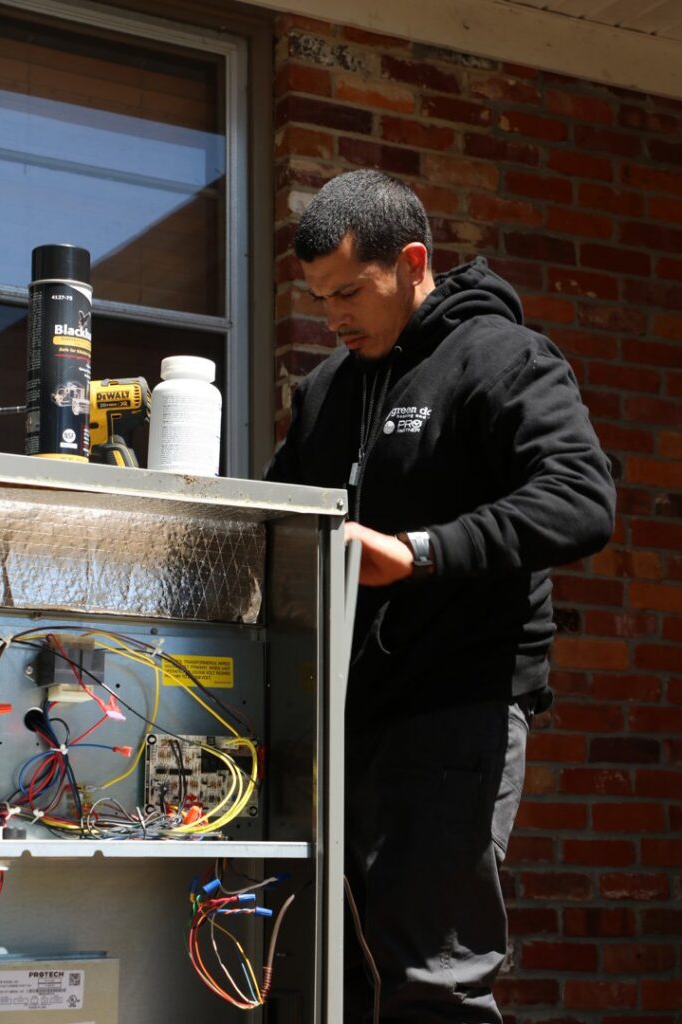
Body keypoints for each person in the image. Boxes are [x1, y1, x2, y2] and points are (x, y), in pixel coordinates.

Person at [266, 170, 615, 1023]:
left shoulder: (498, 357)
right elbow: (278, 527)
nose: (333, 316)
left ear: (412, 261)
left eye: (350, 291)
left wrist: (420, 552)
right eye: (319, 298)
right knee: (329, 979)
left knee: (433, 982)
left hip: (459, 708)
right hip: (342, 719)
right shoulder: (325, 394)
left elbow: (581, 496)